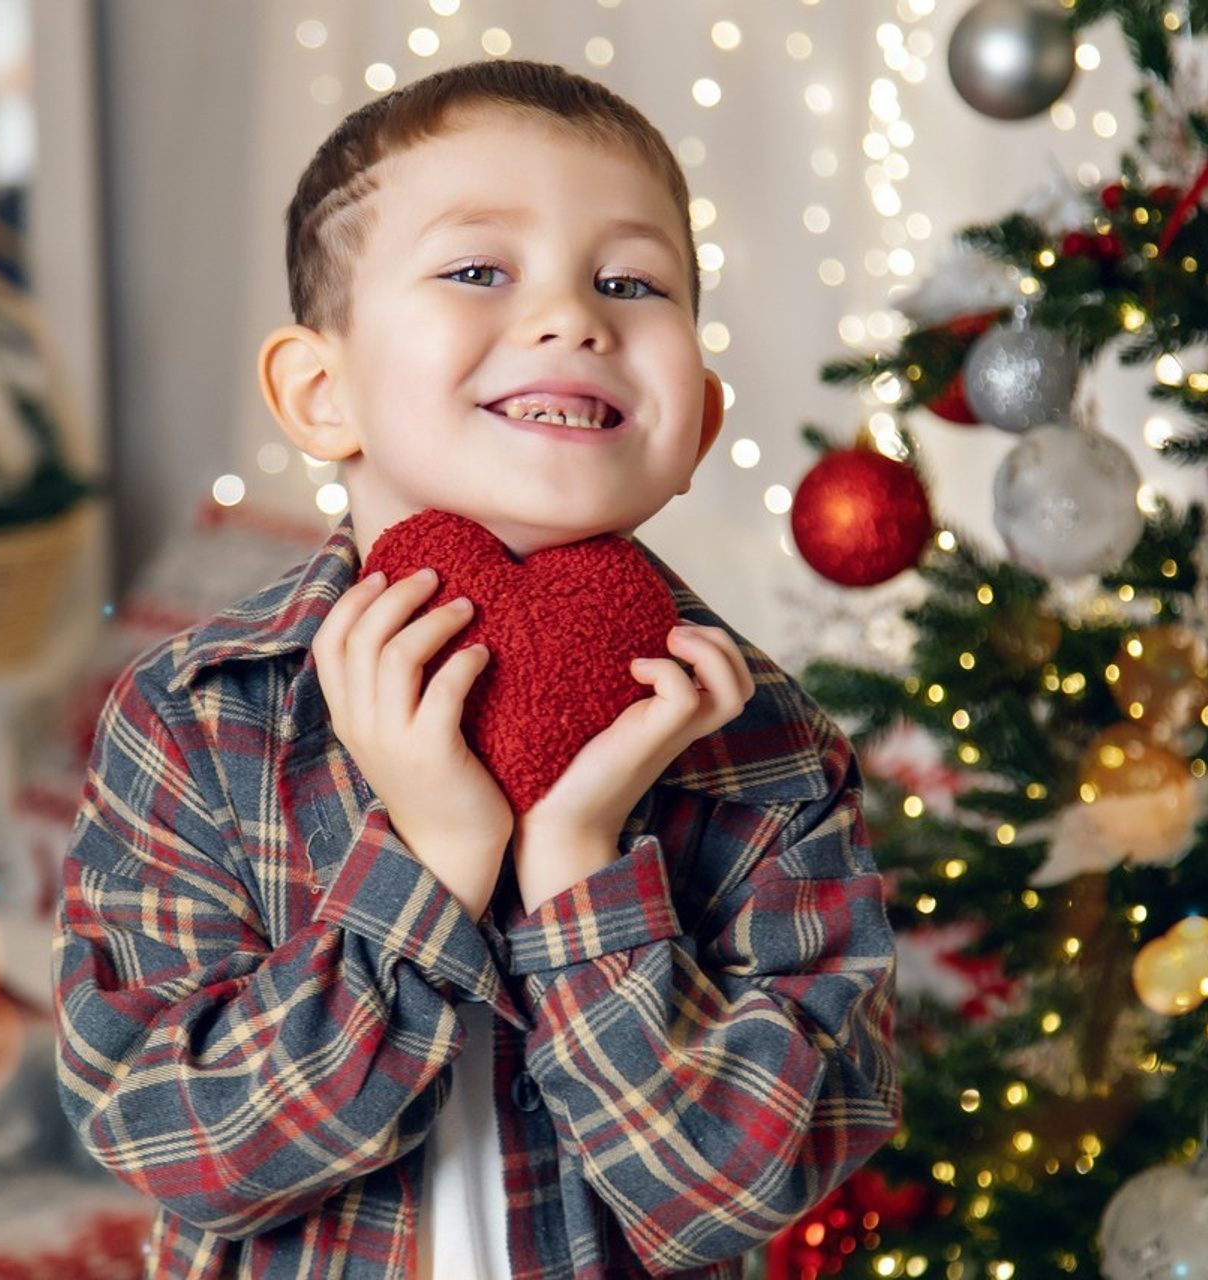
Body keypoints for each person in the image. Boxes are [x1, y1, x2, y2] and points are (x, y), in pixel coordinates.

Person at [53, 59, 898, 1279]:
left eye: (629, 282)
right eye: (477, 270)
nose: (573, 318)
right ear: (320, 390)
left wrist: (579, 868)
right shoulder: (195, 716)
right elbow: (176, 1140)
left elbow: (743, 1184)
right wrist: (434, 855)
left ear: (697, 426)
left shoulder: (765, 741)